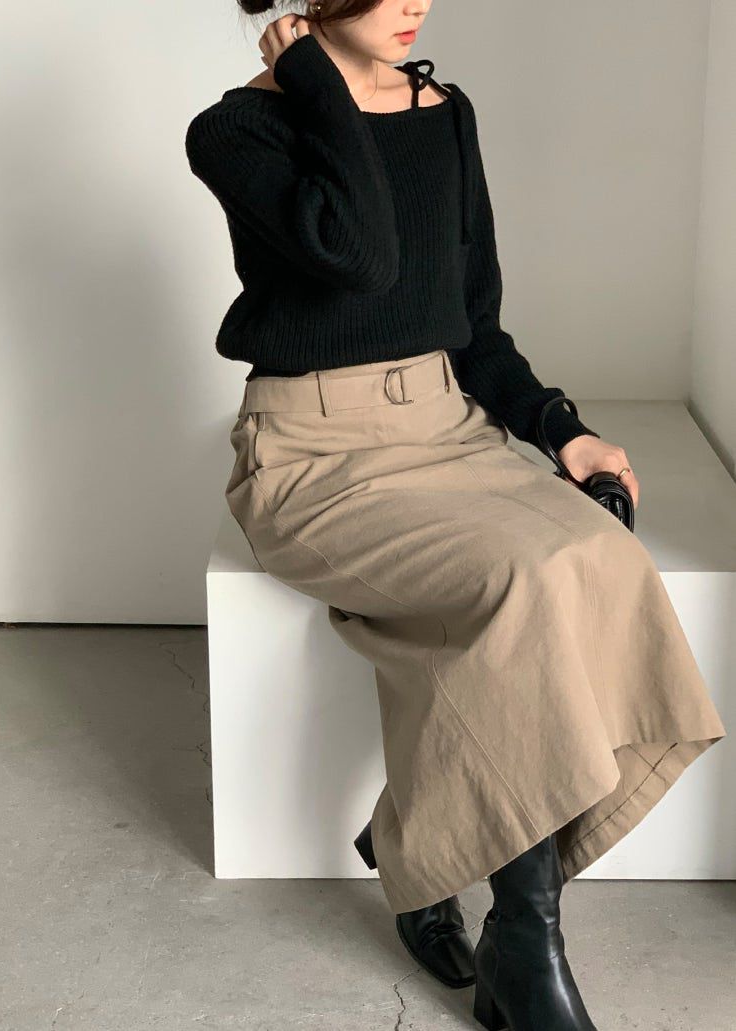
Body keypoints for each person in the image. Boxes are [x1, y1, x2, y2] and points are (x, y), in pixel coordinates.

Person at [184, 2, 727, 1028]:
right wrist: (317, 85)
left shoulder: (444, 112)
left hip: (447, 428)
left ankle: (439, 849)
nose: (415, 4)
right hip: (313, 457)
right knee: (522, 579)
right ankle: (524, 942)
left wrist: (558, 427)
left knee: (600, 556)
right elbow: (358, 256)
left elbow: (471, 318)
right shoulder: (237, 132)